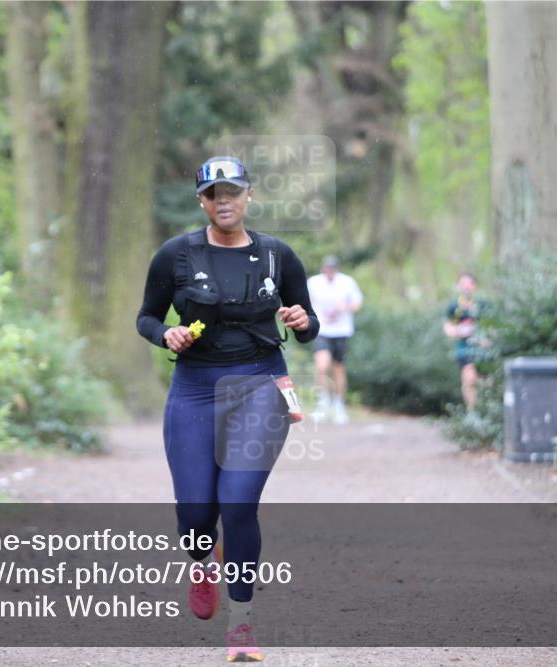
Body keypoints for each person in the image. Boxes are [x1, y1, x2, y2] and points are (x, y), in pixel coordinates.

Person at [136, 155, 319, 662]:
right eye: (214, 194)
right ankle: (201, 560)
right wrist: (164, 333)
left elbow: (309, 326)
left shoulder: (278, 255)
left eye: (232, 192)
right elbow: (146, 317)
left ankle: (241, 626)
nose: (224, 201)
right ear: (202, 201)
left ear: (248, 196)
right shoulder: (175, 255)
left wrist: (303, 321)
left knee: (238, 504)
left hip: (261, 384)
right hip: (193, 388)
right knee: (196, 514)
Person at [306, 255, 363, 424]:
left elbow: (357, 304)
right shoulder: (314, 283)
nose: (329, 272)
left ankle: (339, 405)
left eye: (332, 269)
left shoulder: (347, 282)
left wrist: (345, 307)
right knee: (321, 366)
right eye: (327, 269)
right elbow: (305, 301)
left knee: (338, 368)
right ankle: (323, 403)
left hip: (340, 331)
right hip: (321, 329)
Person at [443, 272, 485, 411]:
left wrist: (484, 337)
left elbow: (492, 329)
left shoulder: (481, 305)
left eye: (468, 284)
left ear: (474, 287)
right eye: (462, 285)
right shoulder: (455, 306)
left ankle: (483, 411)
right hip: (464, 350)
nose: (465, 287)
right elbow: (448, 328)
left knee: (483, 383)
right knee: (469, 379)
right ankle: (472, 412)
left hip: (483, 351)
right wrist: (459, 331)